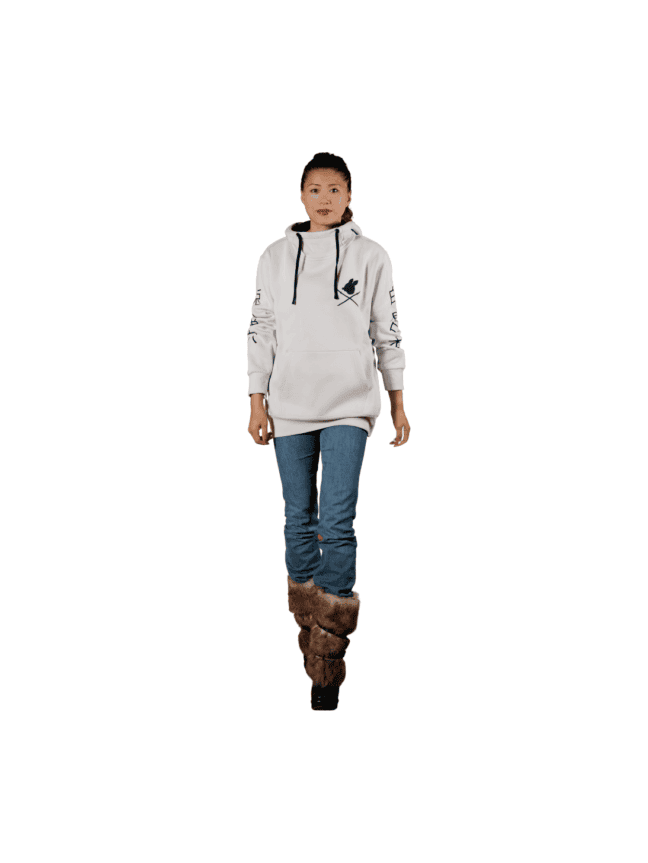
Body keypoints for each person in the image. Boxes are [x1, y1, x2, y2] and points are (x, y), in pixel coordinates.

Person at [246, 151, 411, 710]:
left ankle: (328, 657)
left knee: (336, 524)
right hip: (289, 406)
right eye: (314, 189)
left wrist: (397, 401)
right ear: (301, 195)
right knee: (299, 521)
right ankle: (309, 634)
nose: (324, 198)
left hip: (349, 405)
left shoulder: (371, 256)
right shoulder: (274, 257)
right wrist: (256, 400)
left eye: (334, 189)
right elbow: (260, 328)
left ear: (349, 196)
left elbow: (387, 330)